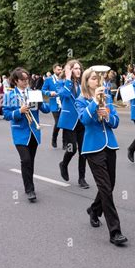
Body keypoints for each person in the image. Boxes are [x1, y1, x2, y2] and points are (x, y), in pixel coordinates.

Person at [76, 67, 128, 246]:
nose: (96, 82)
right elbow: (84, 120)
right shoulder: (81, 100)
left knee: (110, 184)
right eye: (92, 79)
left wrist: (107, 116)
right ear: (86, 82)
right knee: (105, 187)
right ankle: (115, 232)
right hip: (92, 148)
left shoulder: (107, 99)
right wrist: (95, 101)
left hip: (110, 145)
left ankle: (93, 209)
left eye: (97, 79)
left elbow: (116, 122)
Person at [2, 67, 50, 202]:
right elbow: (6, 115)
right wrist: (19, 111)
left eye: (27, 79)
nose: (26, 82)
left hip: (34, 132)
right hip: (20, 133)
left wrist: (43, 101)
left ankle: (30, 186)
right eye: (22, 80)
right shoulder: (9, 96)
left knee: (31, 161)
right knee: (26, 160)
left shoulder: (33, 93)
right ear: (16, 81)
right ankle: (30, 189)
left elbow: (46, 110)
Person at [57, 59, 89, 189]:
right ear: (69, 70)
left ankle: (82, 178)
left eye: (79, 69)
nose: (78, 71)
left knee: (83, 151)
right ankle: (64, 164)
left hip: (82, 120)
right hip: (69, 121)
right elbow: (63, 94)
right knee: (72, 149)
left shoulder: (83, 84)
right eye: (75, 68)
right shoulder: (62, 83)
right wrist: (68, 78)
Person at [42, 63, 65, 149]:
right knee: (58, 122)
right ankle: (54, 138)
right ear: (54, 70)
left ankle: (65, 143)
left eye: (61, 69)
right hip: (54, 104)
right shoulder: (49, 80)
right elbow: (43, 90)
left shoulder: (63, 79)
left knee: (65, 123)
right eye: (58, 69)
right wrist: (49, 93)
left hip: (63, 104)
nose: (60, 71)